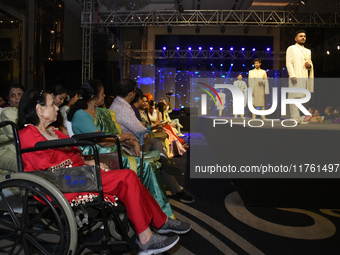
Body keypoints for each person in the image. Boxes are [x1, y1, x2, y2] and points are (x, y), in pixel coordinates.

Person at [17, 88, 191, 254]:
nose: (57, 107)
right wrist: (83, 166)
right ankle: (147, 238)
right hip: (62, 182)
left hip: (75, 175)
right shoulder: (27, 135)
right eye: (52, 104)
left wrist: (88, 161)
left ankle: (160, 221)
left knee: (130, 178)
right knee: (127, 178)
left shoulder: (53, 131)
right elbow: (48, 167)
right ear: (39, 109)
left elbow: (73, 153)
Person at [68, 80, 176, 217]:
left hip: (112, 152)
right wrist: (126, 138)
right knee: (146, 166)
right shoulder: (81, 115)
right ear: (93, 97)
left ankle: (151, 211)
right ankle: (157, 214)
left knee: (150, 165)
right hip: (98, 157)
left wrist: (131, 139)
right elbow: (102, 141)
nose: (104, 95)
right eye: (102, 93)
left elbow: (117, 133)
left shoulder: (100, 112)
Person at [109, 79, 195, 203]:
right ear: (130, 94)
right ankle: (171, 176)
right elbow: (141, 132)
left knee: (156, 144)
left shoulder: (119, 104)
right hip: (129, 148)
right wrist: (143, 130)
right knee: (157, 149)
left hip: (130, 143)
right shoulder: (123, 109)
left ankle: (166, 165)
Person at [286, 30, 314, 120]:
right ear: (296, 38)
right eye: (300, 36)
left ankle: (297, 116)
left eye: (304, 36)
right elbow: (289, 63)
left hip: (304, 77)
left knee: (301, 97)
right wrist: (292, 75)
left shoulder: (308, 51)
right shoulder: (292, 48)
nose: (303, 37)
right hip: (296, 76)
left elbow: (310, 63)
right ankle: (294, 117)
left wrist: (309, 66)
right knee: (294, 97)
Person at [0, 84, 25, 175]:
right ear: (8, 99)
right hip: (6, 151)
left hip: (20, 149)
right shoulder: (7, 112)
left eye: (20, 94)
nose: (17, 98)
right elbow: (14, 135)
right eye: (13, 95)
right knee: (23, 164)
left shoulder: (26, 112)